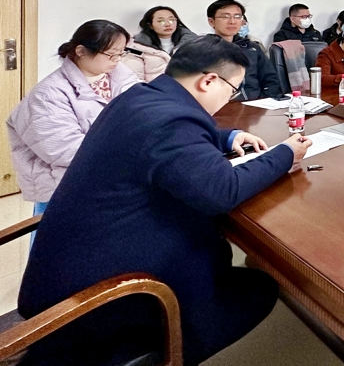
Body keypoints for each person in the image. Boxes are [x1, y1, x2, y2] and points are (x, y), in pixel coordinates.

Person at [17, 36, 313, 365]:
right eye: (232, 90)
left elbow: (165, 137)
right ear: (208, 81)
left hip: (63, 274)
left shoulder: (140, 98)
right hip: (105, 296)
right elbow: (222, 192)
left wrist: (226, 136)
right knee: (258, 288)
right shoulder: (172, 121)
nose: (231, 97)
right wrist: (286, 153)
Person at [6, 20, 139, 216]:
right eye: (111, 54)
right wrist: (128, 148)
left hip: (111, 178)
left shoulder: (121, 77)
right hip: (65, 185)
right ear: (81, 51)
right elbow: (65, 151)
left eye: (121, 53)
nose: (117, 60)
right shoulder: (48, 94)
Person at [207, 0, 283, 100]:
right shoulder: (203, 50)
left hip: (257, 104)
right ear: (211, 21)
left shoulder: (252, 48)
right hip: (222, 105)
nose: (232, 21)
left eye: (237, 16)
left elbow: (270, 78)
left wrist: (265, 99)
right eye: (225, 17)